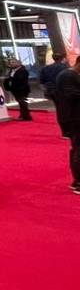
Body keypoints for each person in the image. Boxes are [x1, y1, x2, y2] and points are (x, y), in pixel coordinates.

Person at [51, 56, 80, 193]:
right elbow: (71, 95)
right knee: (78, 149)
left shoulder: (71, 75)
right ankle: (78, 182)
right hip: (75, 119)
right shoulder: (68, 76)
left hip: (73, 117)